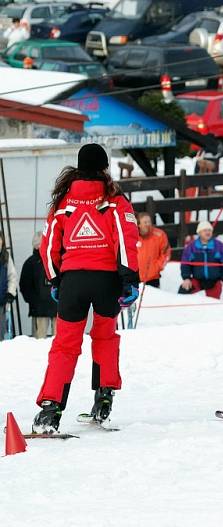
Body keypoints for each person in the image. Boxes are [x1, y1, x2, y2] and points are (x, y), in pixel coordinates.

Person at [32, 143, 140, 433]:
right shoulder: (114, 199)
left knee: (65, 345)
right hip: (106, 282)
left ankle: (50, 409)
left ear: (78, 169)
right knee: (104, 338)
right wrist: (130, 279)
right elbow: (126, 237)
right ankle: (104, 399)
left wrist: (56, 279)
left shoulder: (64, 202)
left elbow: (48, 245)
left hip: (73, 282)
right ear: (105, 168)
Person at [179, 221, 223, 299]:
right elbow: (185, 263)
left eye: (209, 230)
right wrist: (186, 278)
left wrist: (222, 279)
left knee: (213, 303)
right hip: (197, 279)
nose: (207, 232)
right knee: (183, 292)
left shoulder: (219, 246)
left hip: (214, 280)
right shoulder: (192, 247)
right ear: (199, 233)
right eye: (205, 230)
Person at [20, 232, 57, 339]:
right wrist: (33, 302)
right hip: (40, 310)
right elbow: (24, 286)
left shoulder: (54, 260)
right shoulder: (31, 263)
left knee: (57, 341)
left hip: (52, 309)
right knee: (40, 342)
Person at [136, 212, 170, 288]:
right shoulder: (132, 236)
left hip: (153, 277)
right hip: (136, 277)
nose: (148, 224)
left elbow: (166, 253)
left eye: (149, 222)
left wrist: (157, 267)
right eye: (145, 222)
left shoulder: (159, 235)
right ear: (139, 224)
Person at [0, 233, 18, 338]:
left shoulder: (6, 257)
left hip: (1, 301)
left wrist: (11, 293)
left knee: (1, 333)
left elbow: (12, 277)